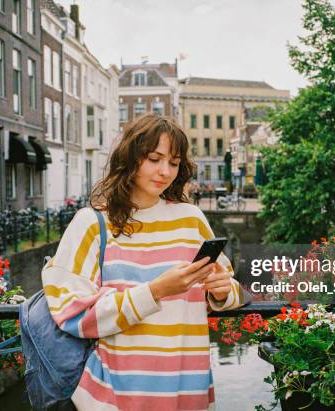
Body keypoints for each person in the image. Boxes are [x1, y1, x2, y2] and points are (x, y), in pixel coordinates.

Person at [41, 113, 244, 410]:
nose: (165, 171)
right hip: (114, 398)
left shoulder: (191, 220)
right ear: (131, 157)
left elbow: (232, 290)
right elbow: (71, 314)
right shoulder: (92, 223)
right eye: (154, 158)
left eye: (174, 163)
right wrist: (155, 291)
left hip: (188, 394)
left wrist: (222, 291)